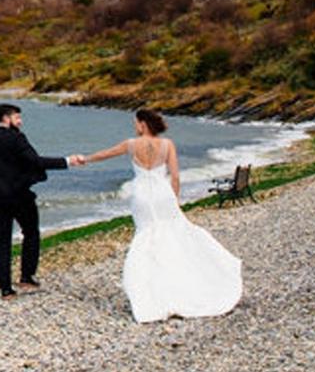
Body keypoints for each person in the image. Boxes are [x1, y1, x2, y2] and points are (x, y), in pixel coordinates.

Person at [73, 109, 242, 322]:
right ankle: (183, 283)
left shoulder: (131, 144)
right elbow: (175, 177)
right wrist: (175, 201)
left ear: (143, 124)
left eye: (136, 122)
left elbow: (105, 154)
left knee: (146, 238)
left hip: (142, 196)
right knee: (174, 235)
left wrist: (84, 159)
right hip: (164, 195)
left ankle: (151, 292)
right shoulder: (167, 144)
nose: (135, 126)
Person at [0, 103, 72, 299]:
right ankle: (26, 276)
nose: (20, 122)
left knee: (0, 242)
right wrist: (66, 161)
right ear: (6, 118)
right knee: (31, 232)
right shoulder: (16, 138)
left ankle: (6, 289)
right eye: (17, 117)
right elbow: (35, 161)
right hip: (19, 196)